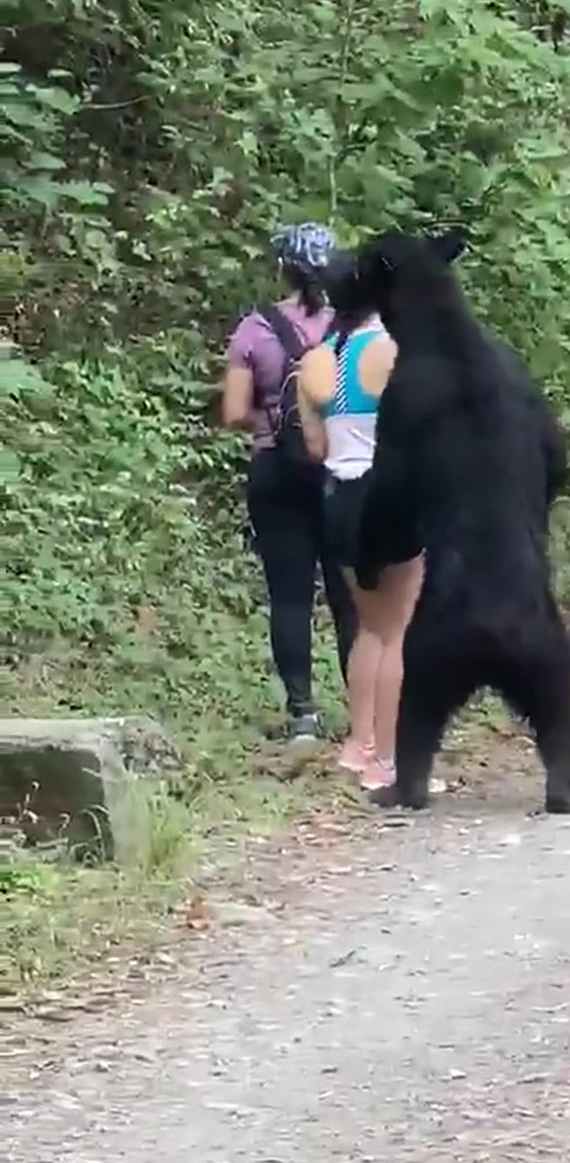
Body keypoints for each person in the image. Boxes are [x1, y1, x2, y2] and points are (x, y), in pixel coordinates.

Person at [221, 223, 356, 740]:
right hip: (343, 468)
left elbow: (233, 411)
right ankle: (365, 714)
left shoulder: (256, 328)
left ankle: (303, 713)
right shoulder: (354, 328)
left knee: (291, 596)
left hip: (277, 468)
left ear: (284, 268)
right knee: (349, 595)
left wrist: (271, 412)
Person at [297, 252, 424, 790]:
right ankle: (390, 762)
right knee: (397, 634)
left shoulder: (315, 361)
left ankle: (359, 743)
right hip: (390, 498)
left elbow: (314, 445)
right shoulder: (394, 351)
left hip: (338, 498)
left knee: (368, 628)